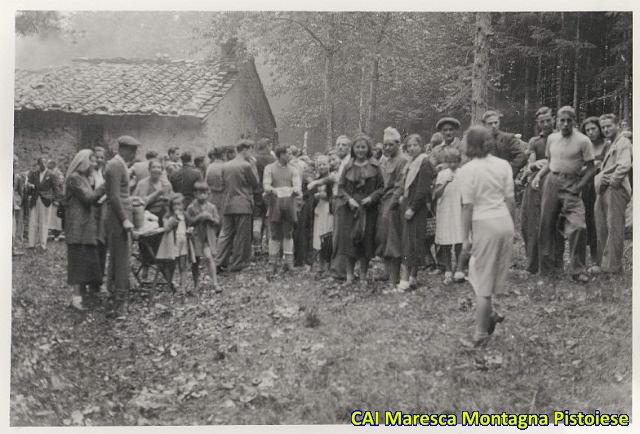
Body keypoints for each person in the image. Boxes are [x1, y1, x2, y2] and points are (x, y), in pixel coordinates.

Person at [457, 126, 514, 347]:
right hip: (503, 222)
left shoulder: (467, 170)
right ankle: (490, 315)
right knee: (482, 274)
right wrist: (511, 227)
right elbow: (510, 200)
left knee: (482, 283)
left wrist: (465, 238)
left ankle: (480, 334)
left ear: (471, 145)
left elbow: (467, 207)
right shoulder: (503, 165)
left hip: (484, 223)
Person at [532, 106, 596, 283]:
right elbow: (550, 162)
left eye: (569, 120)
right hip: (552, 182)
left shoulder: (583, 141)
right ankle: (546, 271)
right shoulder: (552, 138)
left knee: (578, 225)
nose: (565, 124)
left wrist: (580, 186)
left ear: (574, 121)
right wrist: (539, 177)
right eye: (562, 120)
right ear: (557, 121)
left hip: (572, 184)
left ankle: (578, 270)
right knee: (546, 226)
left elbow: (592, 168)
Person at [334, 133, 384, 285]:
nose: (360, 150)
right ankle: (349, 276)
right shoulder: (348, 165)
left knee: (366, 241)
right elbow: (341, 187)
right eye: (357, 147)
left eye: (363, 147)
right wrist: (349, 200)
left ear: (368, 149)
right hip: (350, 208)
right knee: (350, 242)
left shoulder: (375, 166)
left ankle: (363, 275)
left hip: (368, 208)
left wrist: (372, 198)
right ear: (353, 149)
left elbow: (382, 187)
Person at [520, 106, 563, 274]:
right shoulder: (534, 141)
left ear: (554, 119)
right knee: (531, 224)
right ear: (538, 123)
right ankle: (532, 264)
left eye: (548, 120)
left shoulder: (561, 138)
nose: (545, 124)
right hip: (536, 185)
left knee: (555, 223)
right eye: (542, 122)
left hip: (556, 183)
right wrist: (533, 165)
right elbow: (528, 164)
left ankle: (555, 264)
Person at [63, 149, 106, 310]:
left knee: (86, 261)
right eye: (92, 161)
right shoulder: (75, 179)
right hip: (77, 227)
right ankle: (76, 298)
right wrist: (105, 186)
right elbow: (88, 198)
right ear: (84, 162)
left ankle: (83, 297)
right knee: (77, 262)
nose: (94, 164)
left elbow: (92, 200)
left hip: (85, 227)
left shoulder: (83, 178)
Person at [393, 134, 434, 292]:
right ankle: (412, 277)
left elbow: (423, 189)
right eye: (409, 146)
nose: (411, 148)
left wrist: (413, 208)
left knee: (411, 242)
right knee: (412, 240)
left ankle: (404, 279)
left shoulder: (424, 162)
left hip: (417, 207)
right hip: (408, 204)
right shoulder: (410, 163)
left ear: (421, 146)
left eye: (414, 145)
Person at [593, 113, 632, 276]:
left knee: (614, 227)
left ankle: (613, 268)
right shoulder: (610, 144)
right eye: (603, 127)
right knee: (602, 226)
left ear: (617, 125)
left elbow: (624, 165)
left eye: (609, 125)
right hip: (605, 190)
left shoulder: (623, 142)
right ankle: (605, 265)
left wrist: (612, 182)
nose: (606, 129)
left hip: (615, 190)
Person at [104, 135, 139, 317]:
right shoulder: (116, 165)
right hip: (118, 220)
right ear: (123, 149)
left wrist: (132, 200)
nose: (133, 154)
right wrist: (125, 219)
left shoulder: (119, 164)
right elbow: (115, 196)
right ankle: (120, 302)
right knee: (121, 260)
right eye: (132, 151)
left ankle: (114, 297)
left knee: (120, 258)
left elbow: (122, 195)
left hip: (121, 216)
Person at [217, 139, 260, 272]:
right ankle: (238, 263)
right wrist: (253, 166)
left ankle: (219, 261)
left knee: (226, 234)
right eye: (250, 150)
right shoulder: (246, 165)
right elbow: (255, 182)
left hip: (228, 203)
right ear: (245, 150)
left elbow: (222, 185)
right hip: (243, 203)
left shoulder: (225, 166)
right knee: (242, 236)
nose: (251, 153)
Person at [375, 127, 409, 290]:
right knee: (383, 237)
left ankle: (394, 277)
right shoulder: (383, 160)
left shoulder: (402, 160)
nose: (387, 148)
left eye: (391, 145)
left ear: (398, 144)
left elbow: (401, 184)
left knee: (393, 239)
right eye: (385, 145)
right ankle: (386, 272)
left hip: (394, 202)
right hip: (383, 200)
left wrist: (394, 202)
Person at [263, 144, 302, 273]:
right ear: (281, 154)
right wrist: (273, 190)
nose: (290, 155)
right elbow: (266, 185)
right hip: (275, 203)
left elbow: (297, 185)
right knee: (274, 234)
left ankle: (288, 263)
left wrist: (294, 190)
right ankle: (272, 263)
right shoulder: (269, 168)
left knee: (288, 232)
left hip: (289, 204)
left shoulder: (293, 169)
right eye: (288, 153)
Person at [580, 116, 608, 269]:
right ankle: (592, 258)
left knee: (600, 220)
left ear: (600, 129)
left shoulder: (607, 145)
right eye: (587, 130)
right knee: (588, 220)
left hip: (601, 186)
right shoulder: (585, 146)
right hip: (586, 187)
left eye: (593, 129)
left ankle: (602, 258)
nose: (591, 132)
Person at [434, 148, 465, 285]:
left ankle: (459, 268)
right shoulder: (442, 174)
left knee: (459, 238)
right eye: (450, 162)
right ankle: (447, 268)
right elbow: (436, 194)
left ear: (459, 162)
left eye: (455, 162)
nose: (452, 164)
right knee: (446, 240)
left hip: (458, 208)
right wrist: (446, 183)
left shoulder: (463, 173)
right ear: (446, 162)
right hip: (446, 208)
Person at [186, 182, 221, 292]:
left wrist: (210, 219)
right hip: (196, 237)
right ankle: (196, 284)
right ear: (195, 194)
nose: (203, 196)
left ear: (208, 194)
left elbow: (217, 221)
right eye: (200, 193)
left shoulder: (212, 207)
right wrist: (200, 217)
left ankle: (215, 283)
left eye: (205, 193)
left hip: (207, 237)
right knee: (195, 261)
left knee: (209, 258)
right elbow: (189, 222)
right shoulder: (191, 207)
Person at [156, 193, 191, 297]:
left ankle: (183, 287)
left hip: (183, 241)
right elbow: (166, 228)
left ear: (183, 205)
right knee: (171, 265)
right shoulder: (168, 216)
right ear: (171, 206)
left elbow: (189, 225)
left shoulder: (185, 215)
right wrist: (174, 218)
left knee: (183, 265)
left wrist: (190, 231)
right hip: (173, 243)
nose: (177, 207)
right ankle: (170, 284)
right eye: (174, 205)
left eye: (179, 204)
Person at [481, 110, 528, 178]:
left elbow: (522, 156)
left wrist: (507, 171)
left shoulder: (508, 138)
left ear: (499, 122)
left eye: (496, 123)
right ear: (484, 125)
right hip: (485, 178)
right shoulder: (479, 140)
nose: (494, 126)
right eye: (490, 123)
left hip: (504, 178)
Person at [26, 157, 58, 250]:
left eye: (44, 163)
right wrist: (29, 186)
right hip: (35, 200)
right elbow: (29, 184)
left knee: (44, 222)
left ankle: (42, 245)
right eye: (40, 163)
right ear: (38, 164)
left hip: (45, 201)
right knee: (33, 221)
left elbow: (56, 190)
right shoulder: (34, 174)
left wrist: (52, 199)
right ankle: (31, 244)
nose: (42, 165)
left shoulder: (51, 175)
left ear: (46, 164)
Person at [253, 138, 277, 255]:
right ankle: (268, 247)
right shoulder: (273, 160)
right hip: (269, 193)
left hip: (257, 193)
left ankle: (256, 247)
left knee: (257, 219)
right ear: (268, 146)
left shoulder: (254, 160)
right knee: (269, 219)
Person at [311, 155, 334, 273]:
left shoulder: (331, 178)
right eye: (319, 165)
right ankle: (321, 264)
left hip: (328, 209)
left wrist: (322, 195)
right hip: (319, 208)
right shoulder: (317, 179)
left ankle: (329, 264)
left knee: (327, 235)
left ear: (329, 165)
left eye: (324, 164)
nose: (322, 167)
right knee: (318, 235)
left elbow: (330, 195)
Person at [134, 158, 173, 224]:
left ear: (162, 170)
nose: (156, 169)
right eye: (153, 167)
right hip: (148, 216)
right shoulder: (143, 183)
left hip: (164, 215)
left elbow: (171, 200)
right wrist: (158, 193)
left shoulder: (165, 183)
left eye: (159, 167)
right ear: (149, 169)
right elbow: (141, 204)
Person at [93, 146, 108, 283]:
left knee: (103, 240)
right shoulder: (90, 173)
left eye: (102, 157)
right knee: (95, 241)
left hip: (104, 209)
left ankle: (101, 272)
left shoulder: (104, 173)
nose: (99, 160)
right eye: (97, 157)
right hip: (93, 209)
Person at [205, 146, 227, 221]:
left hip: (211, 195)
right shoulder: (225, 166)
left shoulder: (210, 166)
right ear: (223, 155)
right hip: (222, 196)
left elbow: (206, 181)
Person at [13, 155, 28, 256]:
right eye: (15, 162)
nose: (16, 164)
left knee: (17, 224)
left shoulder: (17, 176)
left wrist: (20, 200)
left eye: (16, 162)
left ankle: (16, 246)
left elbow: (20, 190)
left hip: (16, 202)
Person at [47, 160, 65, 241]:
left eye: (49, 163)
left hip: (58, 200)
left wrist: (57, 199)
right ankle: (54, 233)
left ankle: (57, 234)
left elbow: (58, 188)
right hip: (53, 199)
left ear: (53, 164)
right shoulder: (52, 172)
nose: (47, 165)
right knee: (53, 218)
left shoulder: (57, 173)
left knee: (57, 218)